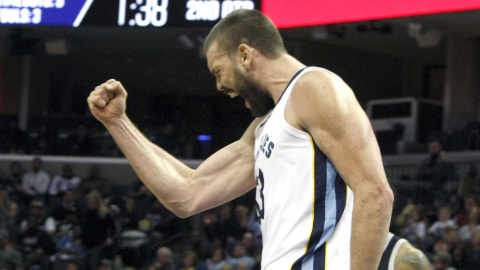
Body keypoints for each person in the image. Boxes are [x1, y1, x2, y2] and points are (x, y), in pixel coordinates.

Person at [87, 9, 394, 270]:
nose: (220, 85)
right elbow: (186, 194)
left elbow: (375, 194)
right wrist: (117, 122)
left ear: (245, 55)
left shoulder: (314, 87)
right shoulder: (263, 128)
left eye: (218, 70)